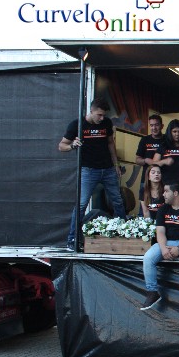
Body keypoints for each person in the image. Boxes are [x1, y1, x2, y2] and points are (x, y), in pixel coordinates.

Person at [58, 97, 126, 250]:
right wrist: (73, 145)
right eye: (99, 115)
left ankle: (124, 234)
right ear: (91, 111)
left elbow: (110, 143)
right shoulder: (77, 124)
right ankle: (72, 239)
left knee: (118, 201)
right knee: (81, 204)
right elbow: (61, 146)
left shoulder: (106, 123)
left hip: (108, 169)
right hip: (88, 170)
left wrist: (116, 164)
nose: (102, 118)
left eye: (104, 115)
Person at [140, 182, 179, 311]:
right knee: (148, 258)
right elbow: (160, 232)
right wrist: (163, 248)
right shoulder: (163, 209)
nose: (163, 194)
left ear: (175, 193)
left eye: (166, 191)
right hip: (166, 243)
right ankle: (152, 293)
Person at [135, 114, 164, 204]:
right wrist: (146, 160)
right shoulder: (144, 140)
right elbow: (137, 160)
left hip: (163, 179)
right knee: (144, 208)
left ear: (162, 126)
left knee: (163, 207)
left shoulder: (167, 139)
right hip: (146, 180)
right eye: (151, 125)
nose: (154, 128)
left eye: (156, 125)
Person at [156, 119, 179, 184]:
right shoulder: (164, 145)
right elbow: (153, 165)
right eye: (174, 131)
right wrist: (164, 161)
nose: (177, 134)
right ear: (170, 132)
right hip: (166, 182)